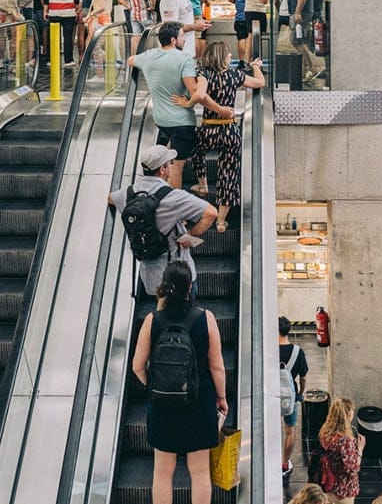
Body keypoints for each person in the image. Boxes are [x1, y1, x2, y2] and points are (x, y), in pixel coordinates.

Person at [130, 260, 227, 504]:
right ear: (190, 287)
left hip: (162, 405)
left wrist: (153, 384)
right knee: (200, 470)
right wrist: (221, 397)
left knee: (163, 471)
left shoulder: (153, 319)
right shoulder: (207, 318)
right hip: (199, 401)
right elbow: (217, 366)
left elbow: (137, 366)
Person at [129, 23, 230, 188]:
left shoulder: (149, 56)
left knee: (170, 154)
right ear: (173, 40)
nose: (185, 39)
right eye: (183, 36)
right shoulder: (184, 59)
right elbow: (198, 93)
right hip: (181, 123)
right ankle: (175, 207)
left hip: (161, 121)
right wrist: (221, 110)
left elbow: (130, 60)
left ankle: (160, 190)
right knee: (176, 167)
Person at [108, 145, 217, 296]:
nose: (172, 166)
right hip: (179, 278)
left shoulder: (128, 194)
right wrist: (190, 235)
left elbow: (110, 198)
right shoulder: (173, 197)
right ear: (162, 170)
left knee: (160, 316)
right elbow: (211, 213)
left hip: (151, 278)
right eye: (170, 163)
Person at [180, 41, 264, 228]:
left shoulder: (204, 73)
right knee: (229, 173)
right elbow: (260, 83)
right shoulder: (235, 75)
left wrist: (188, 104)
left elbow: (200, 94)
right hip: (230, 130)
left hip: (209, 127)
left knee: (193, 149)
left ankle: (202, 183)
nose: (231, 57)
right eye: (228, 54)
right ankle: (220, 220)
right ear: (221, 56)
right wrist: (256, 67)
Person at [279, 316, 309, 477]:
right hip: (290, 397)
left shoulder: (268, 350)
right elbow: (303, 377)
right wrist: (300, 393)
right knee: (290, 431)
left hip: (270, 396)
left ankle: (268, 459)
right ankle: (284, 464)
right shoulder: (298, 352)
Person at [318, 398, 364, 504]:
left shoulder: (325, 432)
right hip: (344, 489)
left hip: (328, 483)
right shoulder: (346, 440)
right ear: (347, 416)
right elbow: (352, 469)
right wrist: (360, 450)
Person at [44, 0, 81, 67]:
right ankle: (68, 60)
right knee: (68, 36)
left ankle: (51, 59)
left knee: (53, 36)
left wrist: (45, 11)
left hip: (53, 12)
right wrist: (77, 10)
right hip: (68, 13)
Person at [229, 0, 250, 65]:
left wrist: (237, 2)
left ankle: (241, 62)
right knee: (251, 38)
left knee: (241, 38)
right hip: (252, 15)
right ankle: (250, 61)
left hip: (240, 16)